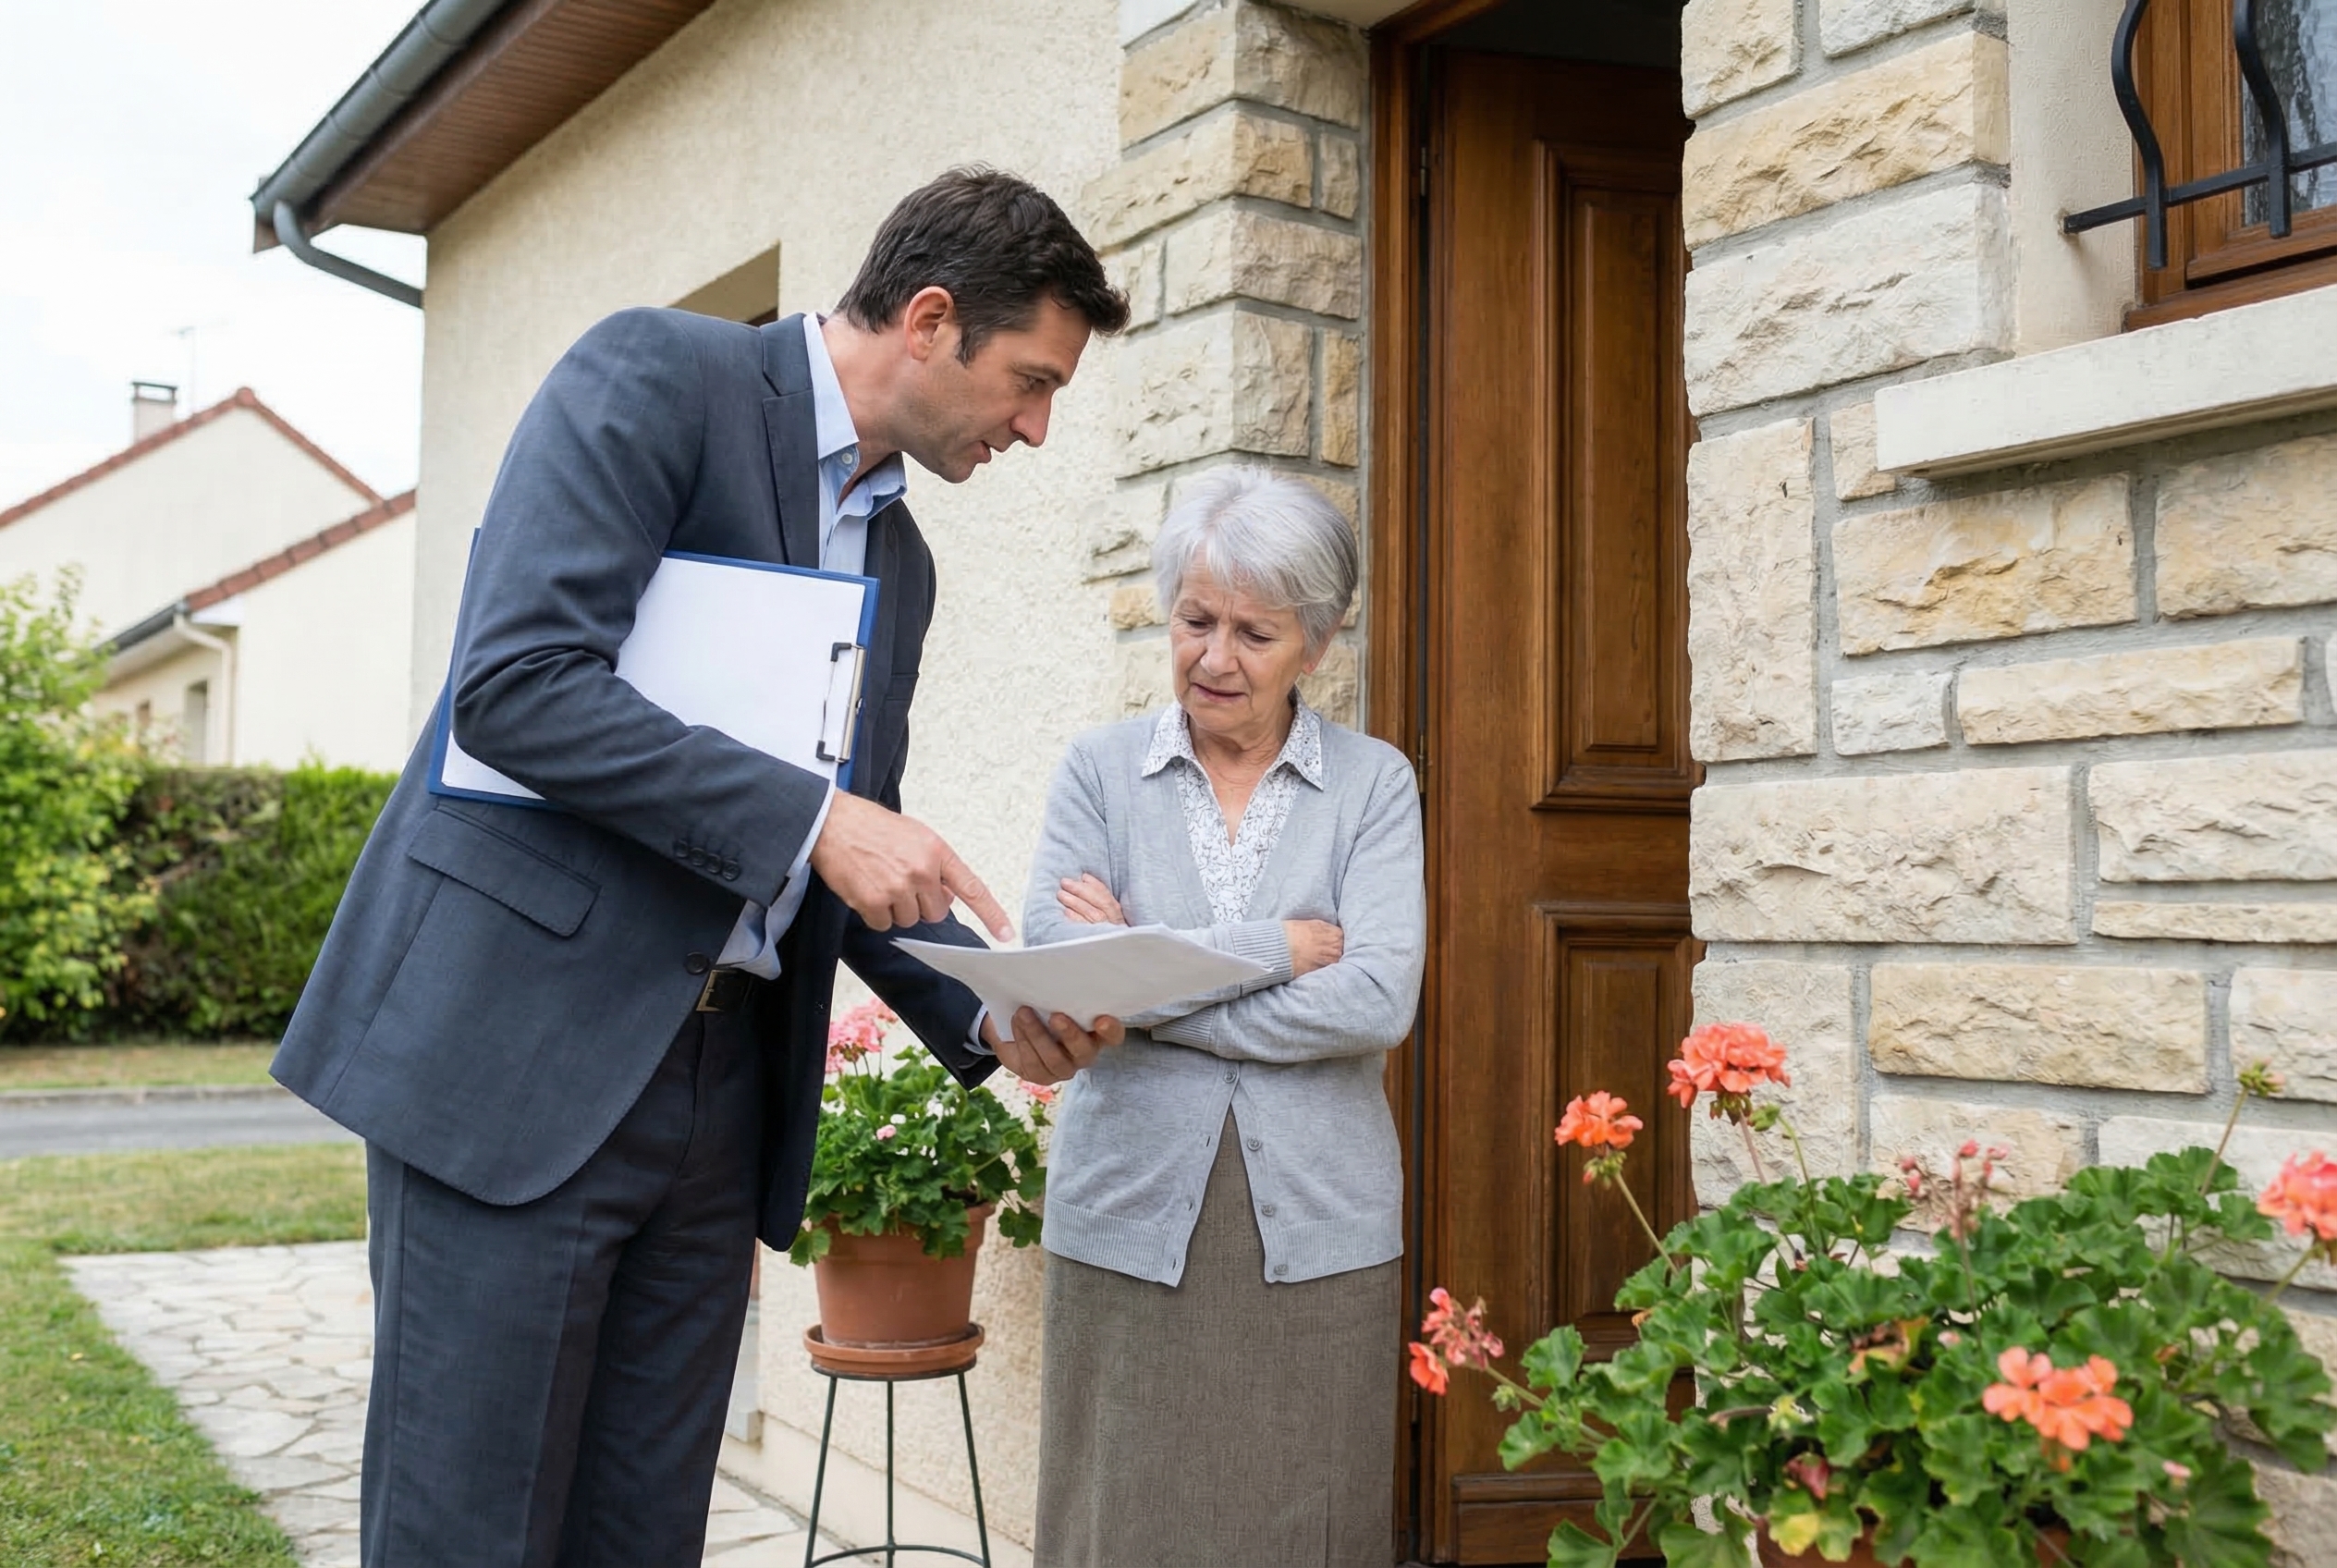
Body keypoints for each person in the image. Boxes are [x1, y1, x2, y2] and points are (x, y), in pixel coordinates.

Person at [270, 167, 1130, 1568]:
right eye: (1031, 381)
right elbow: (520, 684)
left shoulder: (900, 561)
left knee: (641, 1536)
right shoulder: (657, 375)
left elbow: (853, 844)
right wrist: (814, 819)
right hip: (519, 1064)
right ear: (927, 320)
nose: (1035, 427)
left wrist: (989, 1011)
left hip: (719, 1097)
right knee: (468, 1535)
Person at [1022, 468, 1426, 1567]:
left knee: (1309, 1511)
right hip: (1127, 1208)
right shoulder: (1099, 772)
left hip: (1319, 1215)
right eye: (1195, 620)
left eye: (1253, 632)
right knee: (1116, 1516)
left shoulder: (1372, 786)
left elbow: (1377, 996)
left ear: (1319, 640)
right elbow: (1060, 968)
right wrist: (1270, 951)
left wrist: (1145, 989)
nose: (1213, 657)